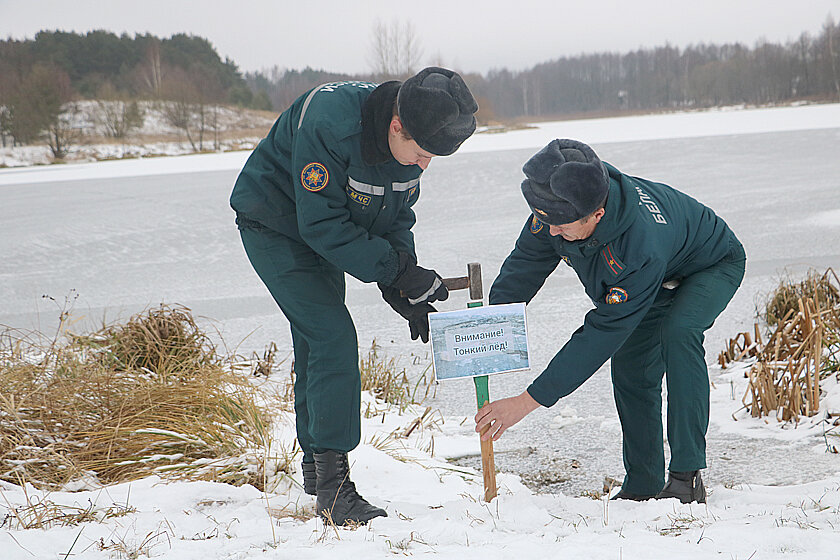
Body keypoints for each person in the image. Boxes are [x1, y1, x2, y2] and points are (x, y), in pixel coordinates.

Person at [231, 68, 478, 524]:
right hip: (275, 225)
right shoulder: (331, 123)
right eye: (422, 153)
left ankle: (315, 467)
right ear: (396, 125)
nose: (424, 165)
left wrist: (402, 283)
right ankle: (335, 492)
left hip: (329, 227)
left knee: (316, 342)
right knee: (331, 337)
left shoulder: (409, 143)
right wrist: (396, 270)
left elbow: (396, 217)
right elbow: (320, 225)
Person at [475, 139, 745, 504]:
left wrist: (526, 401)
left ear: (597, 215)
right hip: (654, 273)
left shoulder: (637, 247)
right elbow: (525, 264)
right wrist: (491, 327)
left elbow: (600, 335)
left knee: (678, 333)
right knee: (632, 368)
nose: (552, 232)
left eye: (562, 226)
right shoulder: (559, 206)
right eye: (545, 220)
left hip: (710, 265)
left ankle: (685, 477)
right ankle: (643, 484)